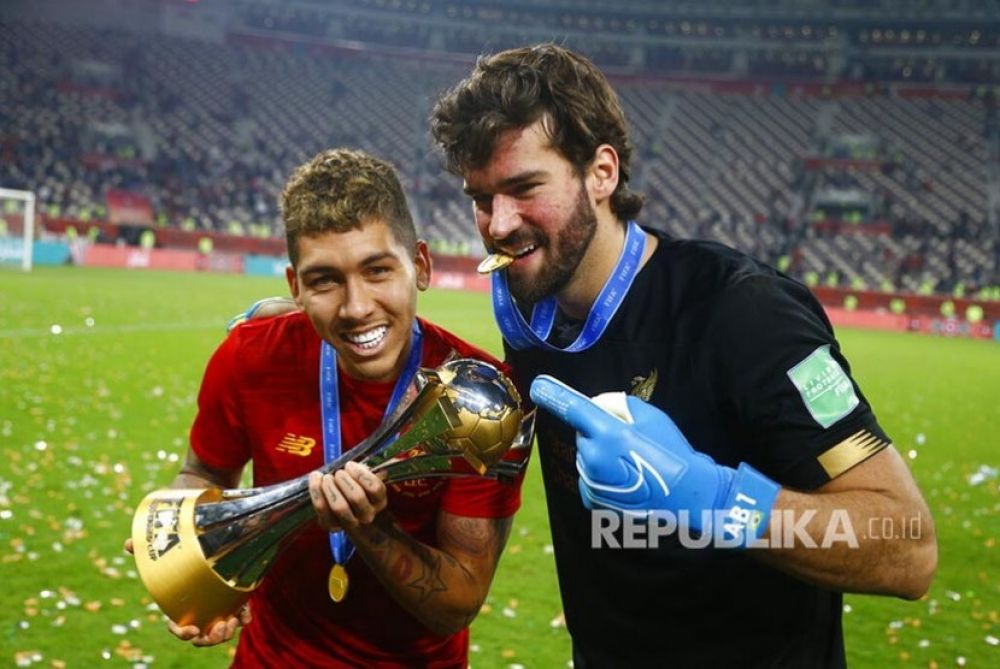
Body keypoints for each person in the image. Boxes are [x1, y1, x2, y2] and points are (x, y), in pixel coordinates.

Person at [430, 44, 937, 668]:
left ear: (602, 172)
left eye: (524, 188)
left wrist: (711, 499)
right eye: (481, 198)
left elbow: (908, 546)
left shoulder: (744, 312)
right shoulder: (532, 307)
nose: (500, 224)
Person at [133, 148, 524, 667]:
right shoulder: (250, 356)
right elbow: (204, 472)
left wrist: (369, 526)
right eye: (325, 281)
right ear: (296, 287)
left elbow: (458, 602)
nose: (356, 307)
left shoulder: (480, 403)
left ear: (420, 266)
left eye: (377, 270)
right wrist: (198, 554)